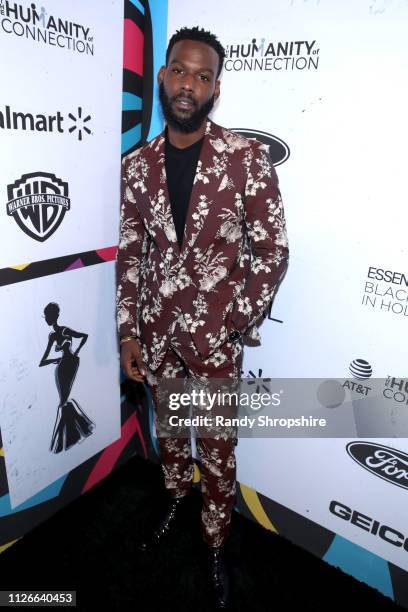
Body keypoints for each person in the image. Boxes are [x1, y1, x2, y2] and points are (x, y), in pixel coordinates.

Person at [116, 26, 289, 609]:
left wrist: (231, 321)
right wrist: (126, 332)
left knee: (216, 447)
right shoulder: (136, 165)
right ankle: (172, 496)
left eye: (203, 75)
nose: (189, 84)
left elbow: (273, 252)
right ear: (164, 76)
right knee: (169, 433)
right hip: (156, 334)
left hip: (215, 343)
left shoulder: (246, 159)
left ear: (216, 89)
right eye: (180, 71)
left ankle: (215, 539)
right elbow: (131, 251)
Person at [39, 302, 95, 453]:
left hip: (71, 364)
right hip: (62, 367)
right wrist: (55, 360)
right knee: (63, 401)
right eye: (46, 316)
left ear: (55, 316)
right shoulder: (52, 336)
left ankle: (62, 442)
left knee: (63, 402)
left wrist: (76, 351)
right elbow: (42, 362)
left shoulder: (64, 330)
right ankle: (76, 434)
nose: (46, 319)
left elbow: (84, 336)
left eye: (49, 315)